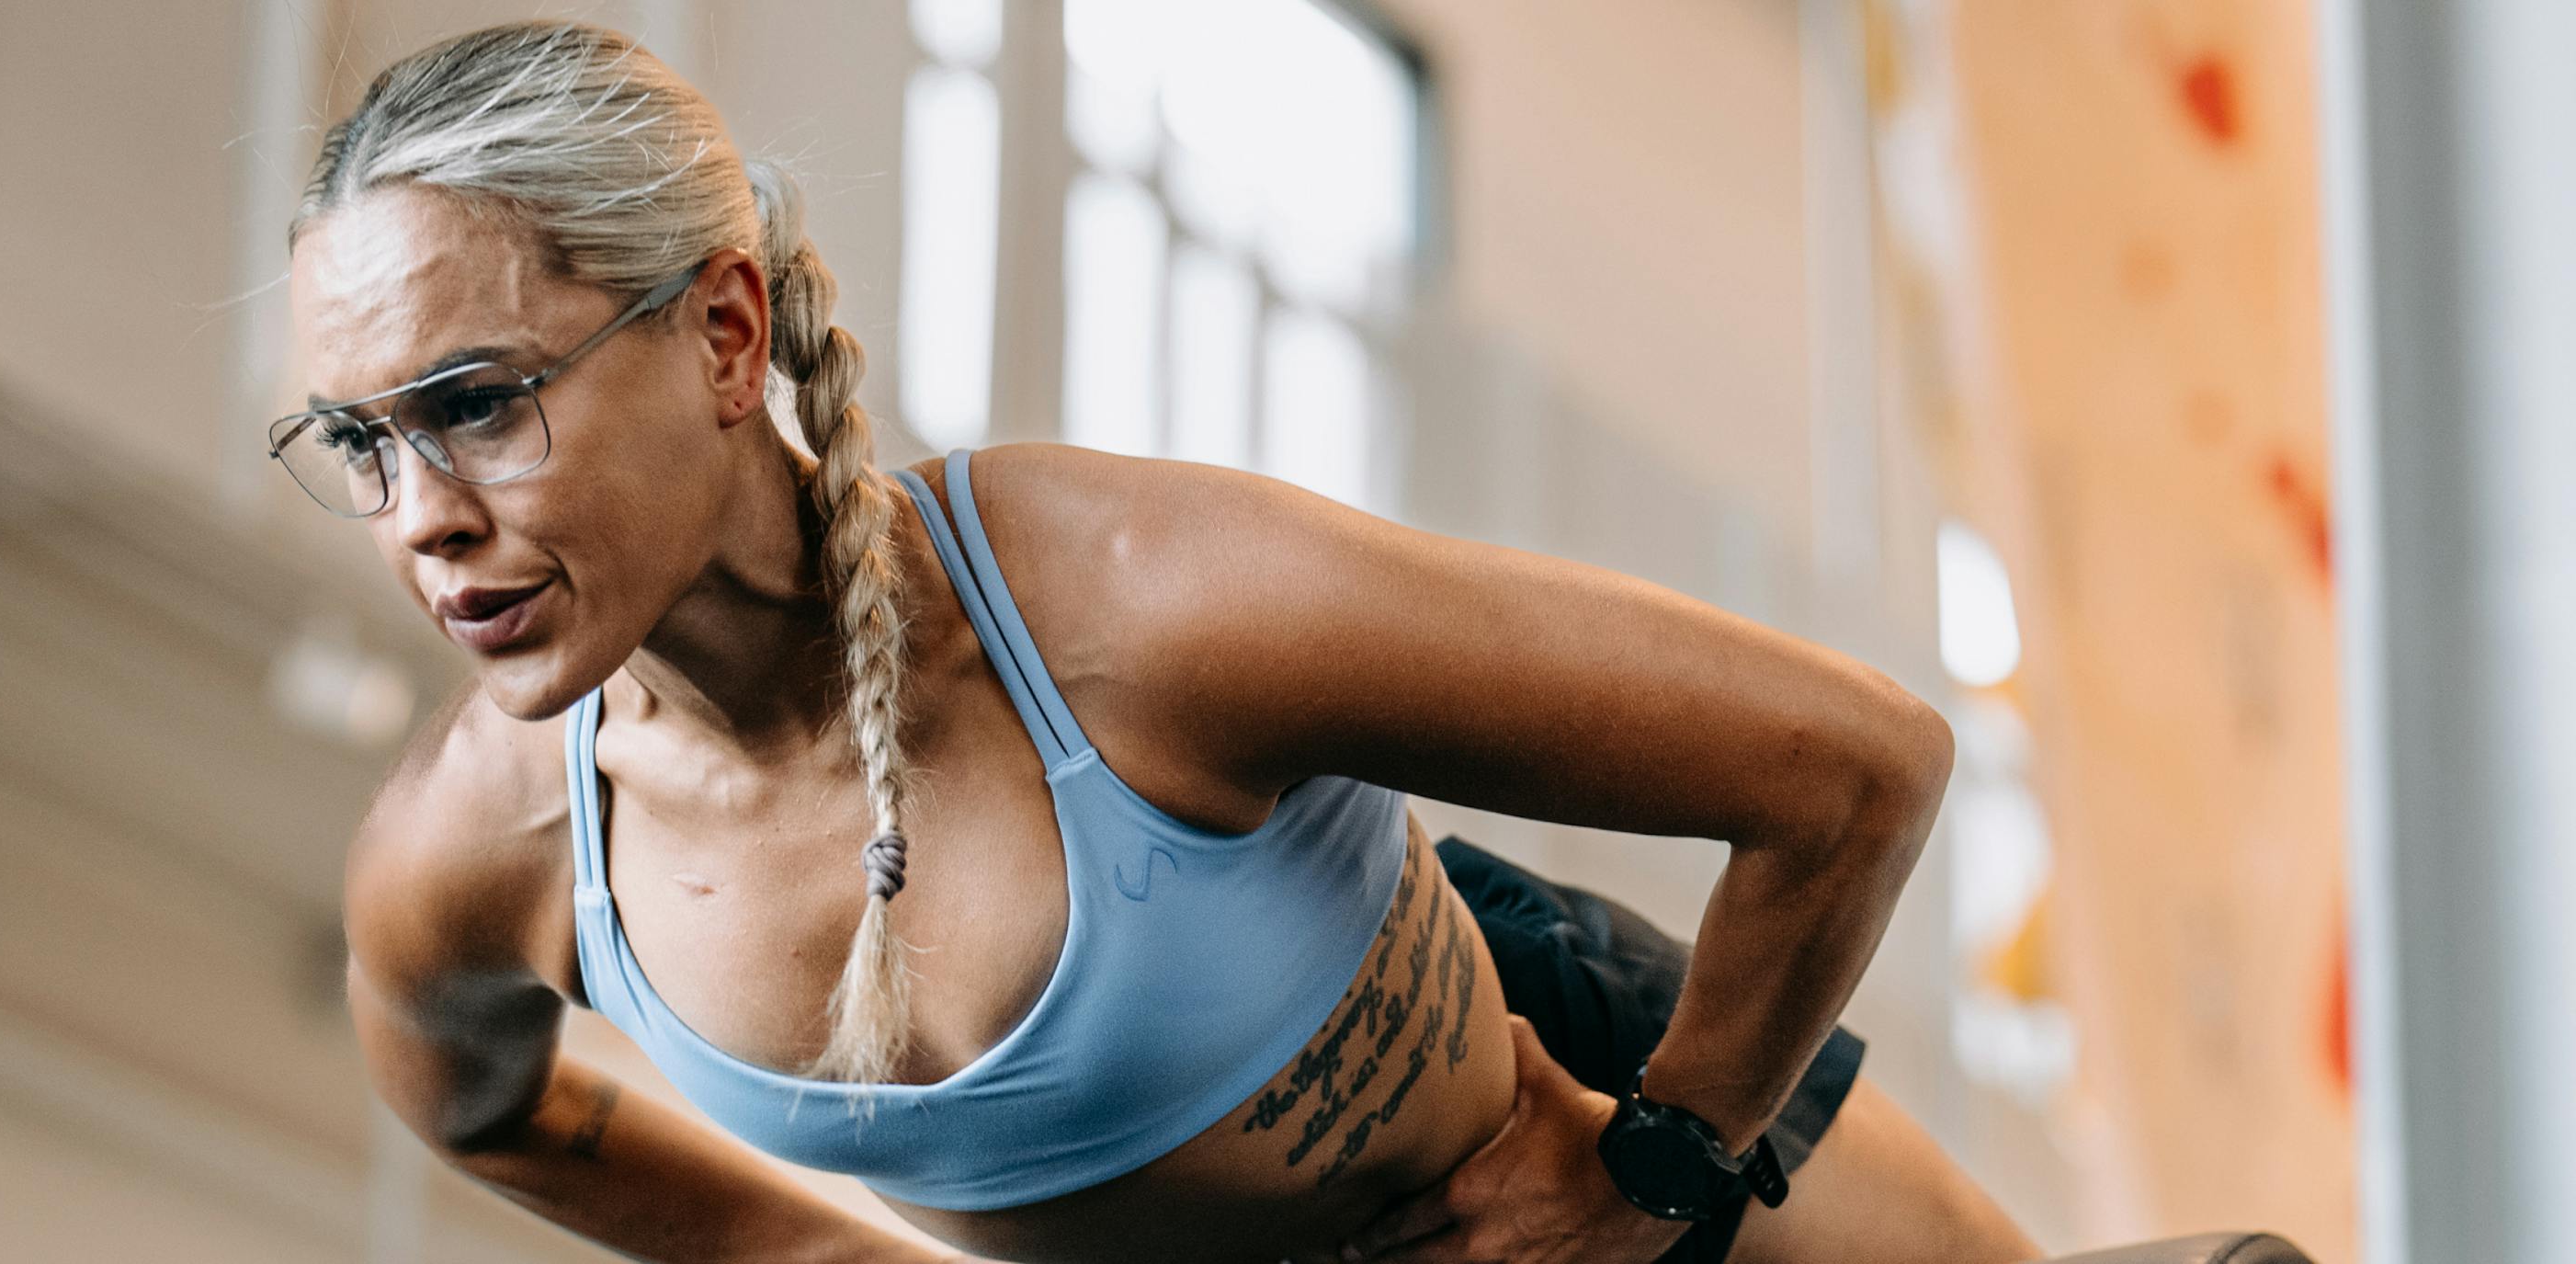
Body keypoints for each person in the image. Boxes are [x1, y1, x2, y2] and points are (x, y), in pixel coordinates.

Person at [301, 20, 2040, 1264]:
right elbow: (478, 1107)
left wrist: (1657, 1163)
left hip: (1580, 1134)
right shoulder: (485, 851)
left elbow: (1856, 767)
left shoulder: (1137, 603)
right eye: (364, 444)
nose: (420, 517)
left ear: (726, 335)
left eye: (476, 404)